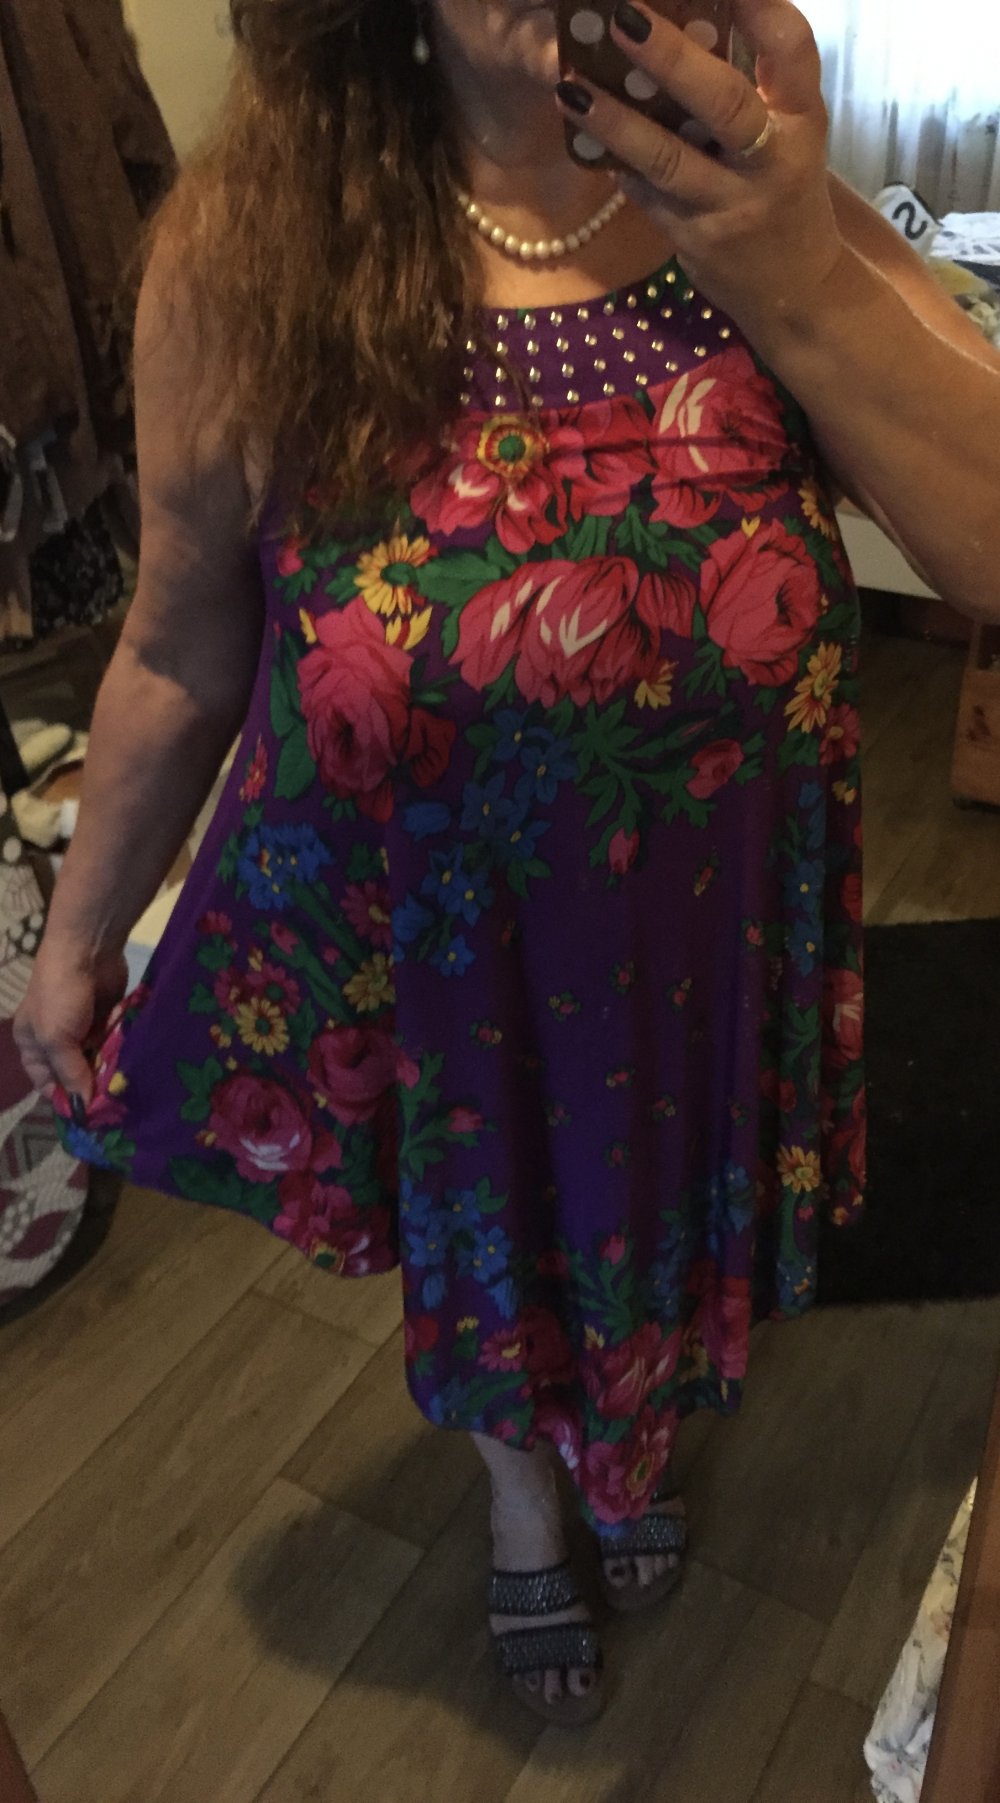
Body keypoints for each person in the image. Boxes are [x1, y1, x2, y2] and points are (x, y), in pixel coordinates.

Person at [13, 0, 1000, 1729]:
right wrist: (79, 927)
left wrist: (792, 262)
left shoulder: (757, 200)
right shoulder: (256, 250)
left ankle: (632, 1432)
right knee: (490, 1227)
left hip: (709, 927)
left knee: (663, 1212)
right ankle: (523, 1490)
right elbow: (176, 644)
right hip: (450, 949)